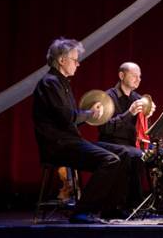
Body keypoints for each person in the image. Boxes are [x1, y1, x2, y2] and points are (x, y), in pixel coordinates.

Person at [33, 37, 131, 223]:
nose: (78, 64)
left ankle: (111, 209)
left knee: (124, 153)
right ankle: (81, 211)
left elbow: (70, 119)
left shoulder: (62, 83)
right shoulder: (50, 83)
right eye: (75, 60)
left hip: (71, 141)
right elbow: (66, 117)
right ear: (62, 60)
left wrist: (88, 115)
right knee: (110, 160)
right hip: (59, 145)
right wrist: (89, 113)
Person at [98, 62, 156, 209]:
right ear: (121, 75)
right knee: (135, 155)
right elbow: (105, 128)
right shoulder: (107, 97)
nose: (138, 79)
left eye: (140, 76)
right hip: (112, 143)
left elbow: (144, 129)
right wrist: (129, 113)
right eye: (134, 76)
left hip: (133, 144)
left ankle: (162, 205)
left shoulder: (137, 97)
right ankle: (131, 205)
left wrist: (148, 115)